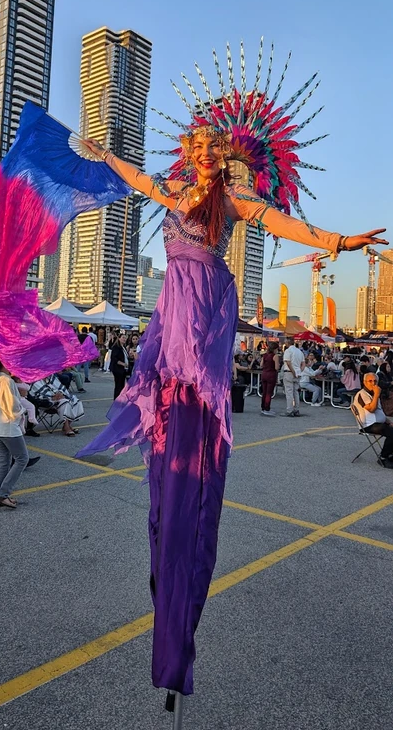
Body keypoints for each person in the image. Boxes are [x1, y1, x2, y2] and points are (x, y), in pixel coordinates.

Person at [79, 108, 386, 695]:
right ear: (189, 151)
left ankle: (182, 447)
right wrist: (103, 154)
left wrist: (340, 241)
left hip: (202, 307)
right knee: (162, 402)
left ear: (222, 158)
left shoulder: (232, 197)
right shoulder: (174, 190)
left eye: (211, 152)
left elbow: (283, 225)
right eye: (196, 148)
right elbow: (137, 179)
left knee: (190, 402)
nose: (203, 157)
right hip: (172, 307)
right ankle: (154, 437)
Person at [0, 357, 30, 507]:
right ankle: (2, 493)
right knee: (22, 458)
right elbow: (13, 407)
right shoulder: (6, 381)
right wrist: (23, 410)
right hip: (7, 426)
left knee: (4, 460)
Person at [355, 373, 393, 467]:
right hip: (368, 425)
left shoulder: (373, 392)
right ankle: (383, 457)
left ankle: (391, 455)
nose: (373, 383)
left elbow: (379, 412)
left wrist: (387, 420)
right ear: (364, 382)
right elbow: (372, 409)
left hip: (378, 423)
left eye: (375, 381)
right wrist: (376, 394)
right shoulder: (362, 394)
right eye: (370, 381)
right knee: (392, 433)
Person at [283, 339, 305, 416]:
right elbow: (303, 364)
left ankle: (289, 410)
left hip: (289, 373)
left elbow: (288, 363)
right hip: (297, 373)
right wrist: (299, 371)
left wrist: (293, 372)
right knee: (295, 392)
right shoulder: (299, 352)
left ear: (287, 343)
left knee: (289, 392)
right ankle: (296, 409)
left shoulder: (288, 351)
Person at [260, 341, 279, 416]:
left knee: (264, 392)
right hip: (271, 374)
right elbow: (276, 367)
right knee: (269, 393)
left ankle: (263, 407)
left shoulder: (264, 355)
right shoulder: (275, 356)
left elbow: (261, 365)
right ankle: (267, 408)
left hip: (264, 373)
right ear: (275, 349)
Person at [110, 333, 129, 399]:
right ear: (119, 338)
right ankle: (117, 399)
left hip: (123, 369)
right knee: (118, 385)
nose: (124, 339)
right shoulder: (116, 347)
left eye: (125, 338)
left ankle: (120, 398)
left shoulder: (123, 347)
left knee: (122, 385)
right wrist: (122, 363)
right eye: (123, 337)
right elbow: (114, 358)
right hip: (118, 369)